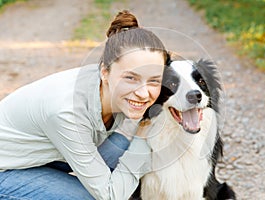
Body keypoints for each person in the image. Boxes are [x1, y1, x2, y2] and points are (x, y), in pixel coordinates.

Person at [0, 10, 169, 200]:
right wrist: (143, 143)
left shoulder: (112, 84)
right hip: (6, 168)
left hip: (44, 154)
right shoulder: (67, 111)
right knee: (88, 197)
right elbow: (109, 195)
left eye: (154, 80)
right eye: (131, 78)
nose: (143, 93)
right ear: (105, 72)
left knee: (124, 148)